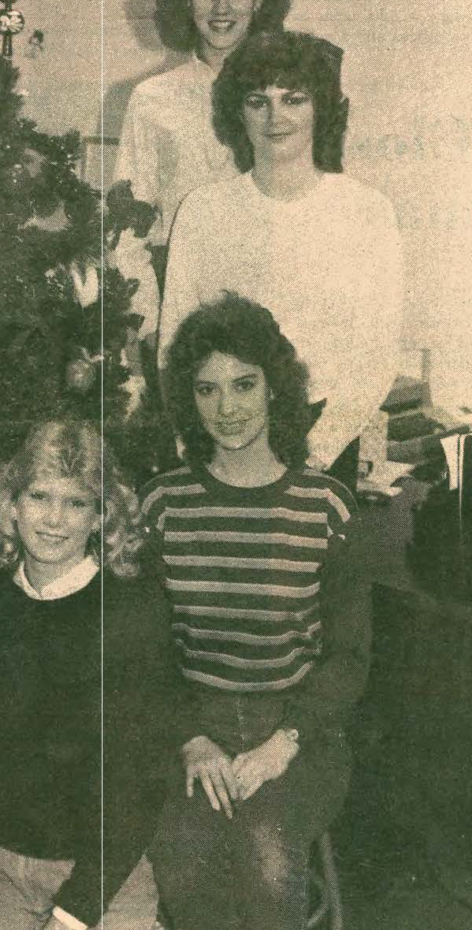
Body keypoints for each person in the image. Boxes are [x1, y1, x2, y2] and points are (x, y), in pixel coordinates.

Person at [142, 294, 371, 930]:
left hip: (299, 727)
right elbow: (143, 649)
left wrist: (283, 743)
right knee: (184, 860)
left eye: (244, 384)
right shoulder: (162, 503)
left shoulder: (327, 507)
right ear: (189, 401)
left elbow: (350, 659)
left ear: (276, 388)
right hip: (190, 724)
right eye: (207, 389)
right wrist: (191, 741)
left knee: (268, 857)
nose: (228, 407)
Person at [0, 419, 184, 930]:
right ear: (11, 505)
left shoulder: (133, 612)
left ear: (100, 518)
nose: (53, 519)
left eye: (76, 503)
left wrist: (72, 916)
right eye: (40, 496)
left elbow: (139, 785)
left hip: (104, 875)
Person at [158, 30, 404, 488]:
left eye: (293, 100)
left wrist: (316, 453)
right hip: (220, 433)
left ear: (321, 109)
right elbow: (175, 341)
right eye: (257, 101)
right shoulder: (202, 209)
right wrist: (195, 443)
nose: (275, 117)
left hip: (324, 438)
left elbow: (377, 352)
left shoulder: (367, 211)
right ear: (238, 112)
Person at [112, 0, 292, 340]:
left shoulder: (290, 95)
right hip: (178, 296)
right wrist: (151, 326)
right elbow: (125, 232)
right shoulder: (151, 99)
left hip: (273, 290)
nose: (222, 7)